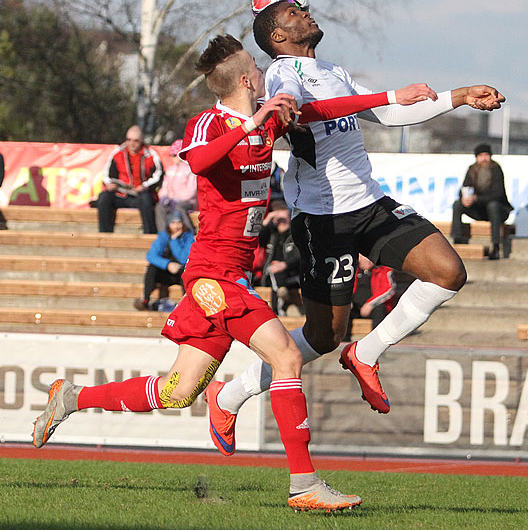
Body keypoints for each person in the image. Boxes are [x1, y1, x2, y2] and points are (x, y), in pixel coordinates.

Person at [31, 33, 436, 511]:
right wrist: (254, 123)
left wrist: (391, 98)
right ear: (245, 78)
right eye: (256, 68)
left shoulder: (272, 114)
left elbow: (329, 111)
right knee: (286, 357)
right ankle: (304, 485)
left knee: (178, 391)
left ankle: (72, 397)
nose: (264, 72)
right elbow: (199, 160)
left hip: (235, 276)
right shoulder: (210, 121)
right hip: (209, 277)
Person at [209, 0, 503, 445]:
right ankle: (229, 395)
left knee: (448, 272)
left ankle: (366, 354)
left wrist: (459, 96)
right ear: (278, 38)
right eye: (293, 13)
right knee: (324, 337)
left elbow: (389, 114)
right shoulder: (281, 73)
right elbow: (301, 115)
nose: (306, 13)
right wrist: (385, 95)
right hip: (322, 218)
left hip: (368, 203)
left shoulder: (334, 72)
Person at [451, 143, 513, 260]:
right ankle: (457, 240)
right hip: (479, 210)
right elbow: (464, 188)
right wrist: (466, 198)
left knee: (493, 206)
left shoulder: (496, 169)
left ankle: (495, 246)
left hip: (498, 211)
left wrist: (476, 199)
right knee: (457, 204)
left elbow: (498, 194)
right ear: (477, 157)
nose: (484, 158)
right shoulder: (472, 169)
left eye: (486, 155)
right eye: (481, 155)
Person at [96, 125, 163, 234]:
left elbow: (158, 174)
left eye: (136, 141)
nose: (132, 143)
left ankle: (149, 235)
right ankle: (104, 234)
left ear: (141, 141)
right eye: (129, 140)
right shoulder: (118, 153)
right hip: (121, 194)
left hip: (140, 195)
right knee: (103, 197)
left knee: (146, 200)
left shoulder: (150, 155)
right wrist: (109, 184)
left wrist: (145, 186)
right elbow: (107, 174)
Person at [134, 210, 195, 311]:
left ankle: (187, 303)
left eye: (179, 222)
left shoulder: (188, 238)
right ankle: (145, 299)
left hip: (181, 274)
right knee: (151, 268)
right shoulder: (163, 236)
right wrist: (167, 265)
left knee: (186, 269)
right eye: (173, 223)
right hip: (166, 272)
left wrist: (174, 241)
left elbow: (184, 258)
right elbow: (151, 256)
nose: (176, 226)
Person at [259, 205, 302, 315]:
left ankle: (277, 312)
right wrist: (268, 219)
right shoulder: (271, 235)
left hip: (292, 275)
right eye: (279, 219)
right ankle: (281, 291)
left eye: (285, 219)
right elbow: (257, 239)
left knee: (276, 271)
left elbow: (299, 257)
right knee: (274, 271)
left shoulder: (295, 235)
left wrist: (284, 265)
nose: (282, 222)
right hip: (271, 275)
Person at [155, 139, 198, 233]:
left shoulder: (190, 170)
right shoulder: (170, 170)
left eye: (176, 155)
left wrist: (177, 198)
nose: (173, 158)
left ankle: (190, 232)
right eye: (172, 155)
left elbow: (192, 191)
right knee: (159, 207)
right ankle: (163, 235)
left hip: (188, 202)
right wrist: (164, 197)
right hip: (171, 201)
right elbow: (164, 187)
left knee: (179, 207)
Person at [350, 255, 397, 330]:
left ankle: (376, 338)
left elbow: (389, 289)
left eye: (370, 257)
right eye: (365, 257)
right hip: (355, 307)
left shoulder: (383, 270)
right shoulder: (351, 271)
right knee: (343, 308)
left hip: (373, 307)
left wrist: (370, 304)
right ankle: (341, 340)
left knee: (379, 310)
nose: (368, 260)